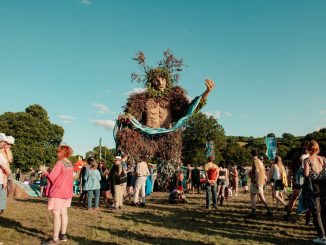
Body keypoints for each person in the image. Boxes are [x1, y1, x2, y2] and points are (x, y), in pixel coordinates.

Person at [115, 50, 215, 163]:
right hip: (146, 137)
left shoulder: (174, 98)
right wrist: (126, 117)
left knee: (169, 168)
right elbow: (132, 114)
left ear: (167, 80)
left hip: (167, 137)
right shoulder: (142, 99)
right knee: (139, 164)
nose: (160, 82)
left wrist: (206, 93)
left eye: (162, 79)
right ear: (151, 82)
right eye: (156, 80)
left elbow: (189, 110)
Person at [40, 145, 74, 244]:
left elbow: (52, 177)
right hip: (67, 192)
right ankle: (63, 235)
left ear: (63, 152)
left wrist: (45, 171)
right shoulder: (70, 163)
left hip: (58, 191)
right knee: (64, 213)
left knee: (56, 213)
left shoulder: (60, 163)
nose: (57, 153)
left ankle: (55, 239)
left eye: (58, 152)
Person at [303, 140, 326, 244]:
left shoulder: (307, 160)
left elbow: (307, 174)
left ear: (308, 148)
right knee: (325, 210)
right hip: (324, 187)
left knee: (316, 212)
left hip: (314, 187)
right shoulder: (324, 159)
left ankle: (321, 236)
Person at [284, 142, 309, 222]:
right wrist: (289, 177)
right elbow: (291, 167)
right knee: (294, 196)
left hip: (308, 178)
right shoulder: (297, 155)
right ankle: (288, 214)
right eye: (303, 148)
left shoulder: (312, 155)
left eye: (306, 148)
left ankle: (307, 220)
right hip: (298, 177)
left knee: (308, 197)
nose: (305, 150)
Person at [247, 150, 273, 218]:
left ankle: (253, 212)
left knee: (252, 196)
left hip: (256, 182)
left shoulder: (255, 161)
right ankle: (269, 210)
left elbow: (257, 172)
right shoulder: (260, 161)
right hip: (261, 182)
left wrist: (256, 182)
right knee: (262, 197)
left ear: (251, 154)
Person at [0, 133, 11, 214]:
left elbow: (10, 160)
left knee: (3, 192)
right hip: (3, 174)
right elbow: (5, 166)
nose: (6, 145)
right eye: (5, 143)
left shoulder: (7, 152)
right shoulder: (0, 153)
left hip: (4, 175)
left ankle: (2, 207)